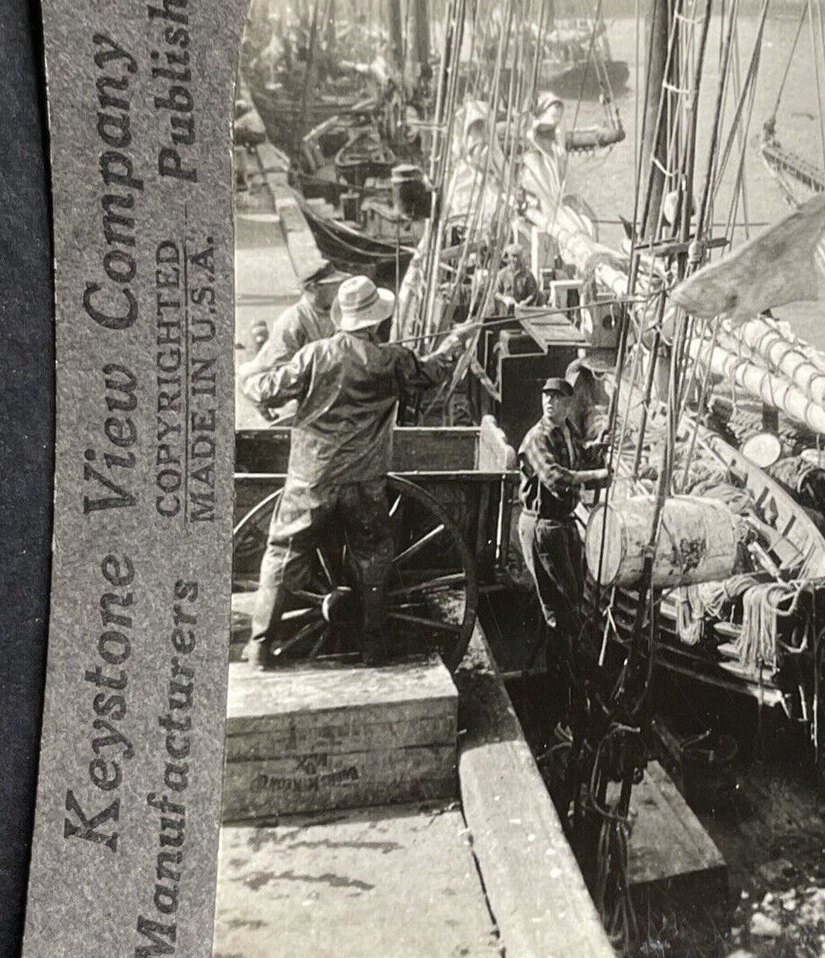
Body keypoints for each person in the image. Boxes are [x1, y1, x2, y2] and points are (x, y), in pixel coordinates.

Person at [244, 276, 464, 668]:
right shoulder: (392, 360)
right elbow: (433, 372)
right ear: (376, 321)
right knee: (373, 556)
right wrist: (456, 342)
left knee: (283, 554)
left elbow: (265, 389)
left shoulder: (315, 355)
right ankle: (373, 645)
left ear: (342, 317)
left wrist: (249, 377)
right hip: (365, 478)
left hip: (313, 477)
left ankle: (260, 645)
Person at [517, 377, 609, 719]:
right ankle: (560, 690)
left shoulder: (565, 430)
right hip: (543, 526)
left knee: (572, 599)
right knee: (562, 607)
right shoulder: (536, 438)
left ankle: (567, 676)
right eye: (546, 398)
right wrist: (597, 476)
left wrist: (597, 447)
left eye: (556, 398)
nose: (549, 403)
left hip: (562, 524)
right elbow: (556, 479)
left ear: (569, 403)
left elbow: (578, 456)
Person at [240, 263, 348, 402]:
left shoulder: (338, 310)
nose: (338, 288)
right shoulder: (292, 321)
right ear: (312, 288)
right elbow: (278, 374)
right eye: (332, 284)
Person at [494, 242, 543, 313]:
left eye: (518, 256)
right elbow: (495, 292)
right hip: (505, 312)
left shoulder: (527, 275)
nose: (516, 259)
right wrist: (504, 299)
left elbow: (533, 293)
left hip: (522, 312)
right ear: (509, 257)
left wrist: (525, 302)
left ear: (521, 256)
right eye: (513, 256)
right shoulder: (502, 274)